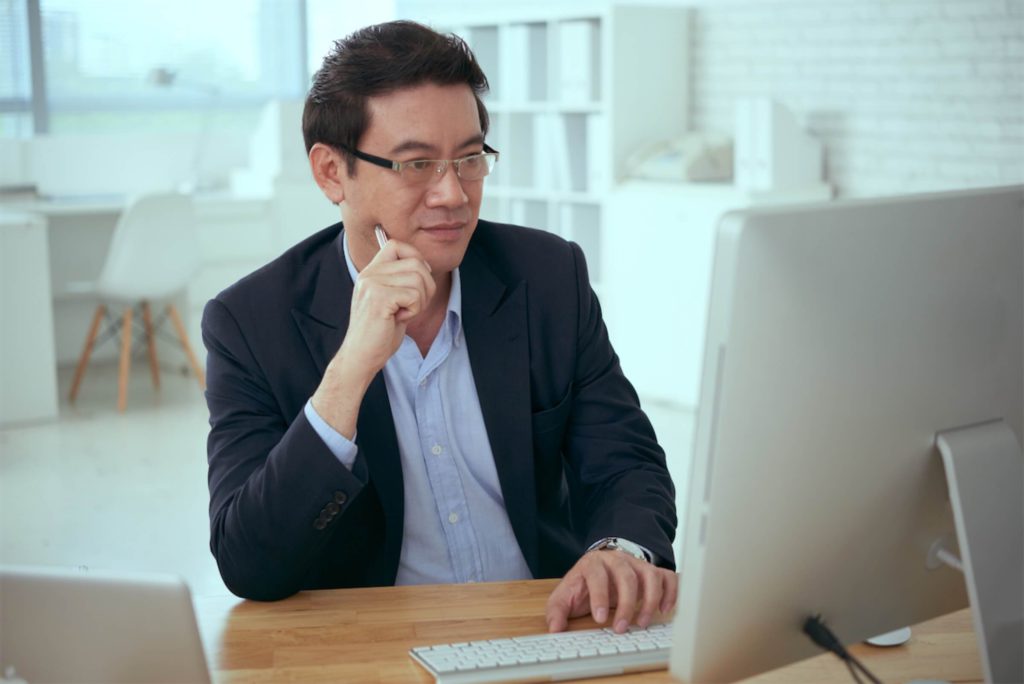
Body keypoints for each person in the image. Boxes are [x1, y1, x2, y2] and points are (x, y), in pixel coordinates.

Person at [203, 20, 677, 634]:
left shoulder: (548, 276)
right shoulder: (249, 322)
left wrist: (620, 550)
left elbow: (625, 461)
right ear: (330, 173)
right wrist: (349, 371)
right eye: (416, 163)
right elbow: (250, 563)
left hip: (550, 625)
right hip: (376, 648)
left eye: (470, 158)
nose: (453, 193)